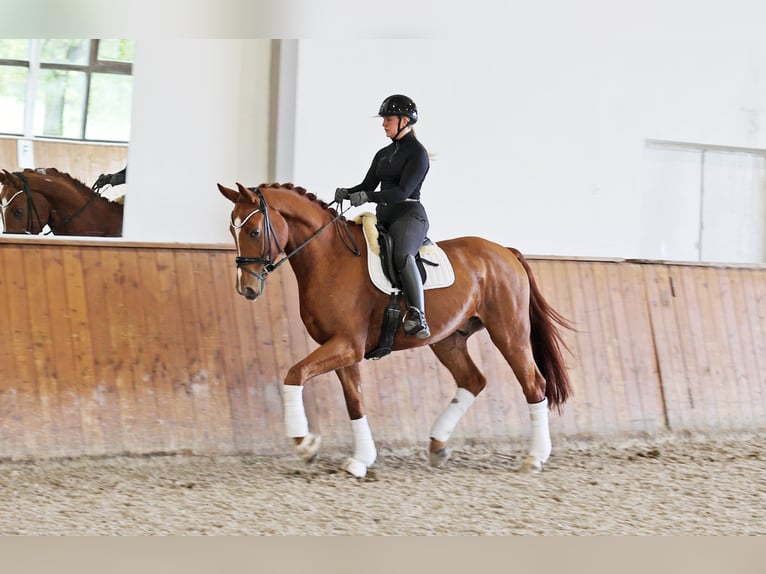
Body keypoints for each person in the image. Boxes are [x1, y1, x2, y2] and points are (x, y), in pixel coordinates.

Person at [336, 94, 431, 339]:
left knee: (402, 254)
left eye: (388, 119)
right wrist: (348, 192)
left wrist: (368, 197)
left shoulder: (417, 154)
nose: (384, 124)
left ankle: (418, 315)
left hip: (408, 216)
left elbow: (401, 193)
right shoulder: (383, 154)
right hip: (384, 216)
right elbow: (368, 184)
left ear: (404, 120)